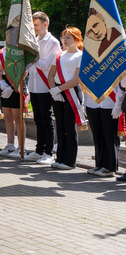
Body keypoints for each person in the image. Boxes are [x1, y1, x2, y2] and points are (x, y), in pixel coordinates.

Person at [24, 12, 60, 163]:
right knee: (37, 119)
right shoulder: (34, 41)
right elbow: (31, 66)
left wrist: (33, 58)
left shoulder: (53, 42)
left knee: (46, 120)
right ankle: (39, 150)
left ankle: (48, 152)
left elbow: (48, 67)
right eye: (33, 26)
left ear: (45, 24)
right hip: (34, 85)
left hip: (46, 86)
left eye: (36, 25)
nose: (34, 29)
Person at [47, 26, 83, 169]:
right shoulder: (60, 55)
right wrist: (53, 91)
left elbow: (76, 80)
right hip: (57, 92)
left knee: (69, 125)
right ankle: (60, 157)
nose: (65, 40)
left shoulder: (80, 56)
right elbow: (51, 75)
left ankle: (70, 161)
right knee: (60, 126)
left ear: (76, 39)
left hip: (71, 92)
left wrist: (58, 89)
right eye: (64, 37)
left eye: (68, 37)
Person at [85, 80, 121, 178]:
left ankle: (110, 167)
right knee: (98, 135)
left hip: (109, 102)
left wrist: (118, 104)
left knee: (109, 136)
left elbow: (120, 84)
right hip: (92, 102)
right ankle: (100, 164)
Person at [0, 44, 26, 157]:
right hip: (5, 84)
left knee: (18, 118)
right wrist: (2, 83)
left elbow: (24, 72)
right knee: (7, 116)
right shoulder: (2, 52)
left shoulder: (20, 51)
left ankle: (21, 147)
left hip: (17, 84)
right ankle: (10, 145)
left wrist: (12, 87)